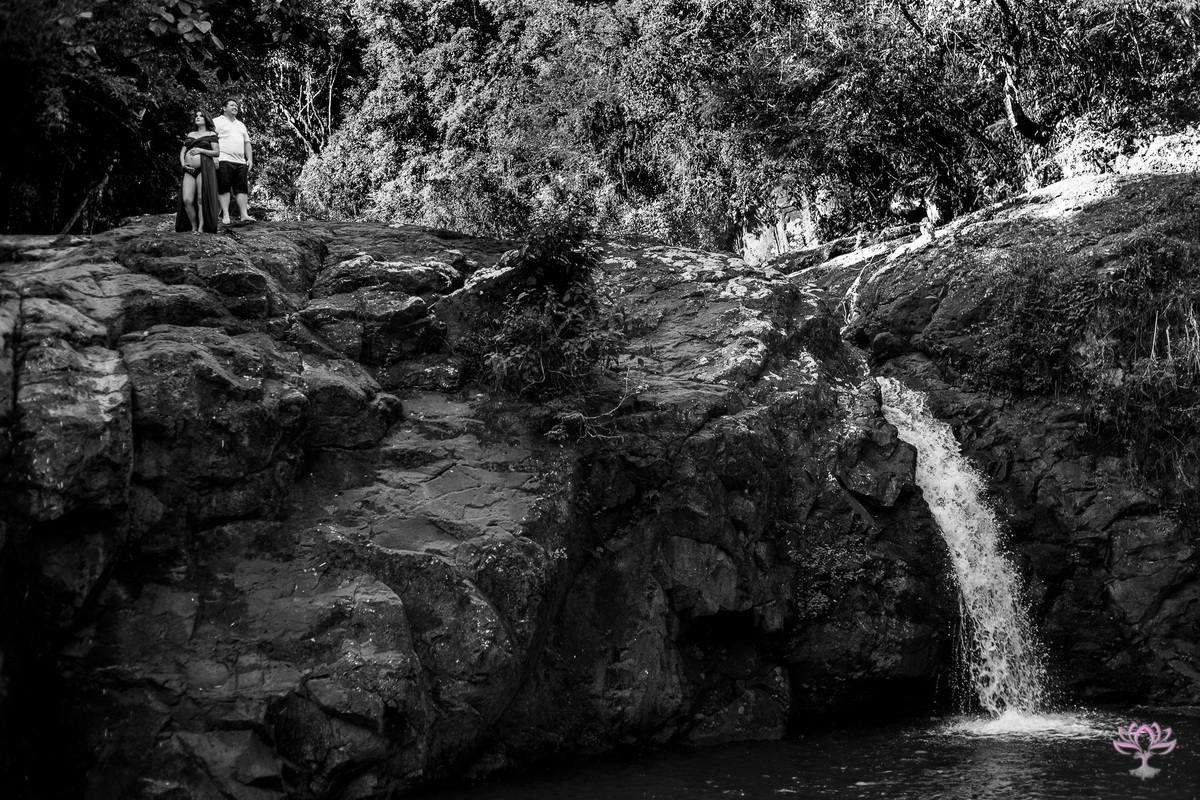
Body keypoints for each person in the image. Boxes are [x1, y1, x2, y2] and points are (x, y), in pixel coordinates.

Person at [175, 110, 221, 234]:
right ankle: (193, 226)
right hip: (188, 170)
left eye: (201, 116)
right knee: (187, 200)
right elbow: (183, 151)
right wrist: (183, 164)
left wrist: (201, 150)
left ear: (206, 119)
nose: (198, 117)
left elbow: (216, 152)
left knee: (201, 199)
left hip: (204, 169)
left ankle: (201, 228)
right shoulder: (190, 133)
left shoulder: (211, 134)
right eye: (196, 116)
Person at [213, 98, 254, 224]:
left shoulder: (241, 124)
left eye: (236, 105)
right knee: (224, 187)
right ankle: (225, 214)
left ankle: (244, 214)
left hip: (241, 161)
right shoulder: (217, 121)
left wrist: (250, 159)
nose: (235, 107)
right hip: (223, 159)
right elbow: (211, 139)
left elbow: (247, 143)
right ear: (224, 108)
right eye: (232, 105)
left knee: (242, 189)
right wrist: (214, 156)